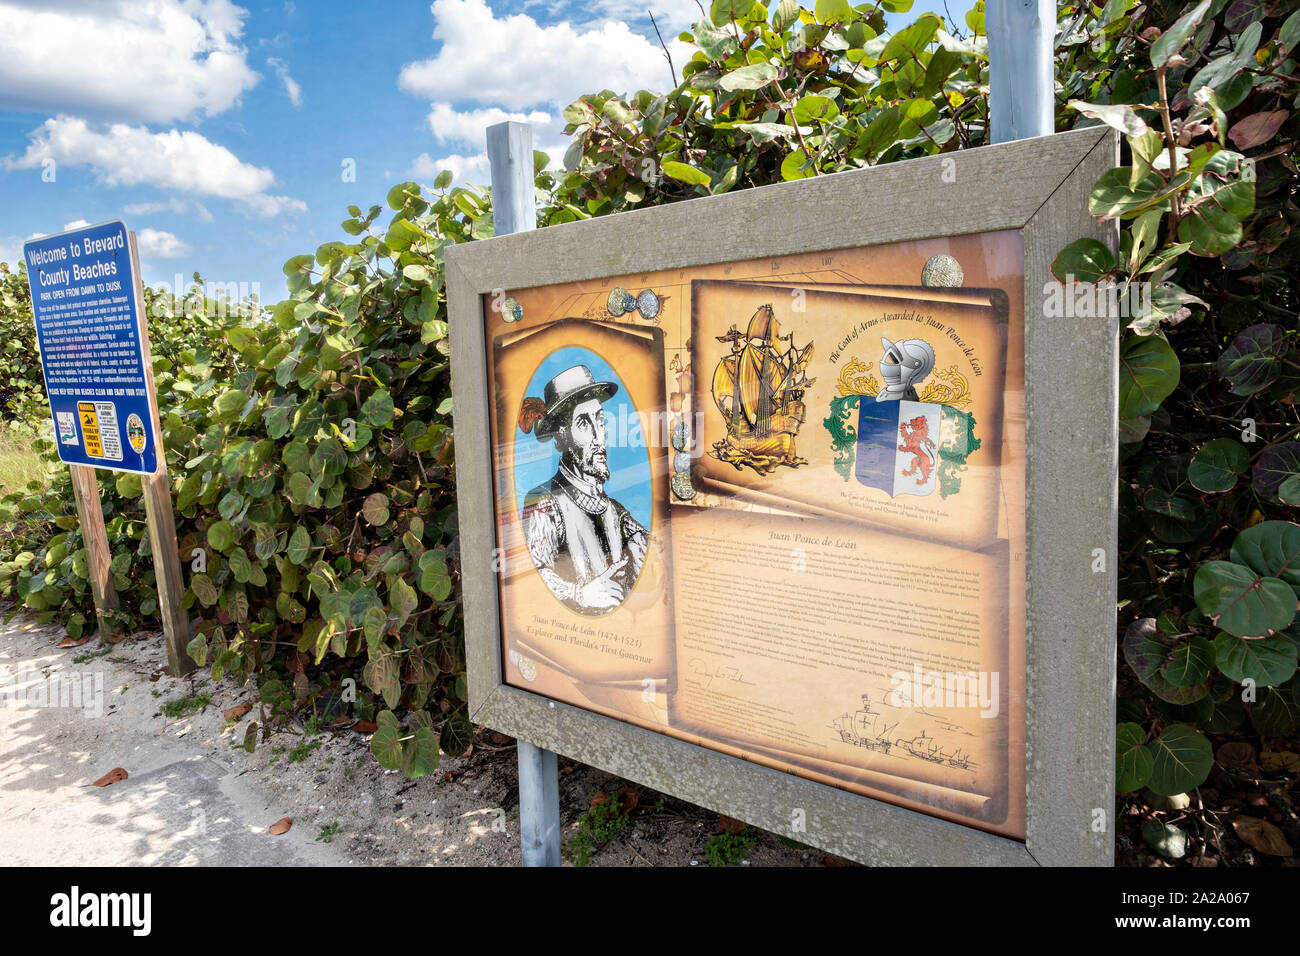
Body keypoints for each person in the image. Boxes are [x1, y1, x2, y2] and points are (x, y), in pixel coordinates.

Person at [520, 365, 647, 614]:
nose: (599, 436)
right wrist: (579, 594)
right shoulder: (544, 501)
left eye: (599, 420)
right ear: (562, 436)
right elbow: (531, 573)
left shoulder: (615, 511)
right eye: (584, 424)